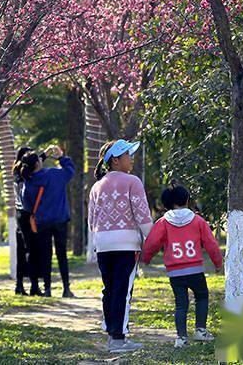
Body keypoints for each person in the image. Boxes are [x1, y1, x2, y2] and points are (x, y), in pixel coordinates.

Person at [88, 139, 152, 354]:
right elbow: (142, 215)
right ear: (116, 160)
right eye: (128, 154)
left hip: (103, 244)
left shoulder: (96, 186)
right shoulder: (132, 182)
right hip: (126, 244)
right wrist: (151, 238)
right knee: (123, 290)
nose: (131, 158)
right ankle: (118, 338)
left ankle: (111, 331)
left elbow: (91, 220)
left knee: (109, 288)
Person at [142, 184, 223, 348]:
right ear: (187, 199)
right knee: (201, 296)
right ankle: (200, 330)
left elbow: (151, 243)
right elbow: (211, 244)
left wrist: (146, 258)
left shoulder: (163, 222)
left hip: (175, 272)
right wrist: (218, 263)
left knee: (181, 304)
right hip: (195, 270)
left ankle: (181, 338)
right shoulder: (198, 221)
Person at [20, 144, 75, 298]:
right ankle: (66, 288)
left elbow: (27, 205)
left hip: (42, 223)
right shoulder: (54, 174)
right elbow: (70, 171)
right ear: (38, 163)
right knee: (61, 254)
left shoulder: (28, 183)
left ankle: (48, 289)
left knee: (46, 255)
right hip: (60, 220)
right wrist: (61, 157)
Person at [12, 146, 41, 295]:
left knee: (23, 251)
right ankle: (31, 285)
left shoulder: (19, 172)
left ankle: (23, 285)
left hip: (22, 215)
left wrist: (44, 155)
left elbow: (36, 161)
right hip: (26, 215)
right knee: (30, 250)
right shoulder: (21, 175)